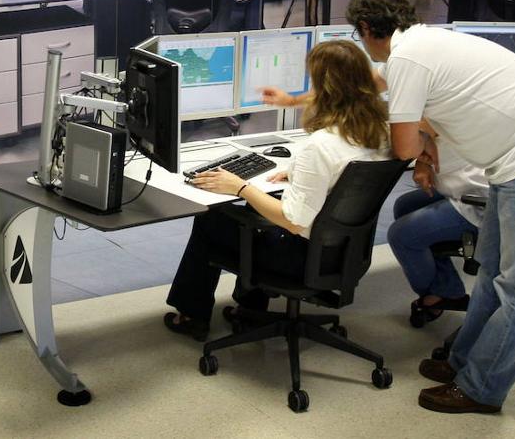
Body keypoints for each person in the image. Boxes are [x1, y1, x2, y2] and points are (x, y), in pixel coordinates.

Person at [347, 0, 515, 415]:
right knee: (493, 269)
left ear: (366, 28)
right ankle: (463, 363)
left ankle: (482, 389)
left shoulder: (407, 57)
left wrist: (406, 140)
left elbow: (403, 147)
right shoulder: (428, 40)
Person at [163, 40, 390, 340]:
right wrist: (297, 174)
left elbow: (293, 221)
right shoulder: (379, 131)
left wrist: (240, 186)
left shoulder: (320, 146)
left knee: (213, 219)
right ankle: (250, 310)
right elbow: (344, 180)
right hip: (346, 252)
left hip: (303, 259)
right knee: (257, 207)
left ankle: (193, 315)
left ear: (324, 89)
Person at [387, 134, 488, 323]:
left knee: (401, 235)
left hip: (480, 202)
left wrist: (421, 156)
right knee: (405, 206)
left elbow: (406, 145)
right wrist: (423, 162)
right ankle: (447, 289)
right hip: (462, 187)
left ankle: (437, 293)